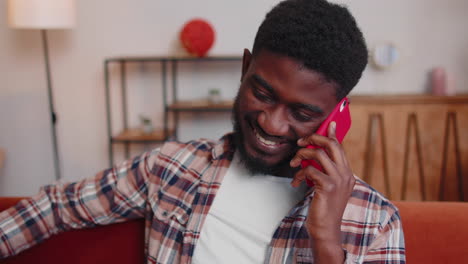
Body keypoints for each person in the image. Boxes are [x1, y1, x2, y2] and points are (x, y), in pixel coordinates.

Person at [0, 0, 405, 263]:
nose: (271, 123)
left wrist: (328, 241)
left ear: (337, 116)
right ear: (245, 69)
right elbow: (56, 206)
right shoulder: (172, 167)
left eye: (301, 112)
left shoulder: (375, 221)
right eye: (262, 93)